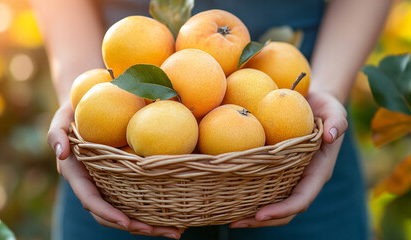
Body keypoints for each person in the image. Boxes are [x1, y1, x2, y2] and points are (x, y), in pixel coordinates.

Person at [30, 0, 391, 239]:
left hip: (297, 150)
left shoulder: (278, 101)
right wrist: (79, 100)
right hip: (117, 179)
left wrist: (328, 90)